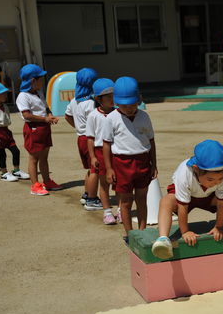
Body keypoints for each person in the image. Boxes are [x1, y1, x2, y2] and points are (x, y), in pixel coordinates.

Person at [102, 77, 157, 242]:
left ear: (138, 100)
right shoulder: (111, 118)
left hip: (143, 161)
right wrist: (109, 168)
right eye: (124, 105)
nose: (129, 108)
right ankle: (129, 233)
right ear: (116, 103)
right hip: (121, 163)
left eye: (133, 104)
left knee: (142, 198)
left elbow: (151, 141)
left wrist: (154, 164)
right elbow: (106, 144)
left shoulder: (144, 116)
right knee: (125, 202)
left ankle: (142, 230)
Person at [16, 64, 62, 196]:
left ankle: (47, 181)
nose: (43, 81)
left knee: (44, 157)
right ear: (33, 81)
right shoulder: (23, 96)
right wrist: (44, 120)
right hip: (33, 129)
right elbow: (27, 115)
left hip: (44, 128)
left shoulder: (38, 92)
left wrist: (49, 115)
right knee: (33, 158)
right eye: (41, 79)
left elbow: (45, 107)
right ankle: (35, 185)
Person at [65, 68, 102, 208]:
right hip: (91, 140)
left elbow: (67, 115)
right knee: (95, 170)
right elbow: (96, 121)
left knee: (90, 169)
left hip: (81, 138)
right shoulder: (91, 103)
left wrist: (78, 127)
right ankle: (92, 199)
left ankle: (87, 193)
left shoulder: (75, 101)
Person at [0, 82, 29, 182]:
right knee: (2, 154)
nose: (5, 95)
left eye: (5, 93)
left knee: (16, 151)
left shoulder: (5, 106)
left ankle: (16, 171)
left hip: (6, 131)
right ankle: (4, 173)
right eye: (2, 93)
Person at [86, 78, 117, 225]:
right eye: (108, 96)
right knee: (104, 184)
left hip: (116, 151)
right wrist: (92, 156)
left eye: (113, 95)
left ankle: (121, 211)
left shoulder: (118, 113)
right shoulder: (93, 115)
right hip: (100, 151)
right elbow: (90, 138)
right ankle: (107, 212)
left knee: (119, 183)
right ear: (98, 99)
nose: (112, 99)